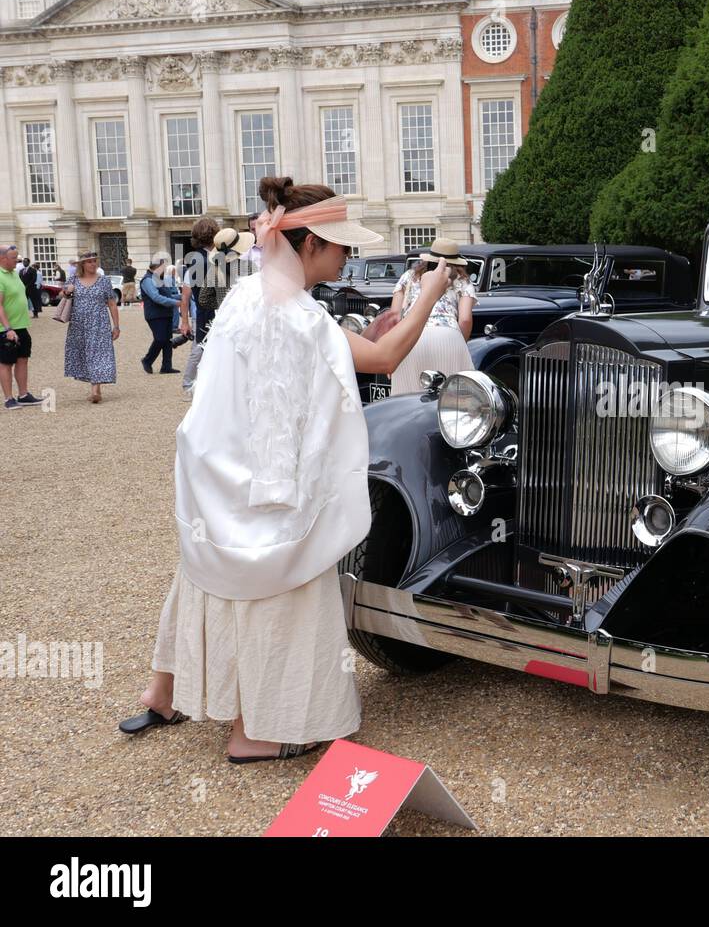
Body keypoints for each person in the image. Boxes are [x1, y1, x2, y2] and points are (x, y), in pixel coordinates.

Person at [118, 175, 449, 763]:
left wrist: (357, 338)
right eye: (341, 244)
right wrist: (433, 290)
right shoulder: (299, 315)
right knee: (279, 589)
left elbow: (320, 357)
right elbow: (386, 357)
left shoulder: (250, 293)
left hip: (216, 474)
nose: (349, 255)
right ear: (310, 243)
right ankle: (257, 731)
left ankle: (163, 694)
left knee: (203, 572)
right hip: (266, 491)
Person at [388, 237, 476, 395]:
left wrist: (392, 350)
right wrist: (459, 344)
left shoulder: (409, 277)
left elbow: (394, 316)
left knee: (405, 401)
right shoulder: (463, 281)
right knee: (452, 403)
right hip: (449, 336)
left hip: (410, 336)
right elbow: (465, 319)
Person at [181, 222, 253, 394]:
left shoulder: (208, 265)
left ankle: (198, 385)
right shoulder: (249, 266)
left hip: (218, 317)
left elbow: (200, 297)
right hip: (244, 319)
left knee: (209, 352)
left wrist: (222, 306)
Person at [62, 249, 120, 404]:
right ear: (82, 264)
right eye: (89, 261)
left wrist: (116, 326)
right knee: (85, 354)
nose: (93, 264)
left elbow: (112, 304)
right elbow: (63, 296)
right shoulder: (73, 279)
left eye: (94, 261)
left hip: (99, 323)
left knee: (98, 354)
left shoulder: (104, 281)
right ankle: (96, 386)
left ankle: (95, 390)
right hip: (78, 324)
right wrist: (67, 292)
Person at [1, 245, 46, 408]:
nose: (17, 261)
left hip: (21, 325)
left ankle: (23, 394)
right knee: (6, 362)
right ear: (3, 259)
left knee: (22, 360)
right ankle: (8, 398)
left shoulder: (14, 274)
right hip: (6, 329)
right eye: (14, 258)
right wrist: (8, 328)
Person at [140, 257, 182, 374]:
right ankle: (147, 360)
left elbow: (167, 296)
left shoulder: (160, 279)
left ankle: (166, 366)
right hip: (155, 314)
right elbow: (156, 297)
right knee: (160, 339)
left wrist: (182, 297)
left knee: (167, 341)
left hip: (166, 313)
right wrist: (176, 302)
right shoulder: (147, 280)